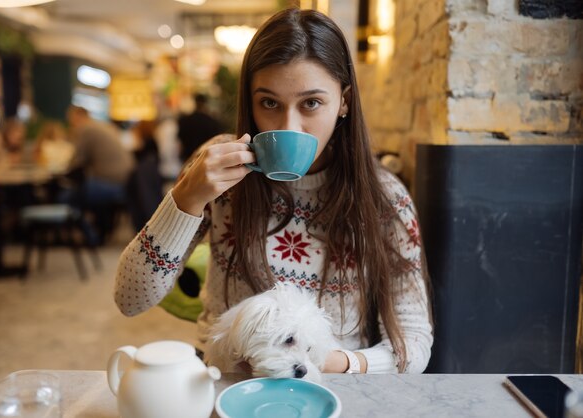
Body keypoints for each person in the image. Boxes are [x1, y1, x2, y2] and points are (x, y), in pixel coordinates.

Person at [115, 8, 432, 374]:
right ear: (250, 102)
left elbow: (414, 342)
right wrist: (185, 199)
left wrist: (326, 363)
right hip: (228, 384)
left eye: (311, 103)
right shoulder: (219, 172)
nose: (289, 126)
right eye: (269, 103)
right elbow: (130, 299)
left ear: (343, 101)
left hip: (331, 391)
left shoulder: (384, 198)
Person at [64, 106, 135, 241]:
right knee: (81, 190)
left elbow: (76, 161)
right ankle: (97, 232)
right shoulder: (102, 126)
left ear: (78, 117)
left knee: (67, 197)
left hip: (113, 184)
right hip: (126, 181)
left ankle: (91, 237)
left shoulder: (87, 129)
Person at [127, 120, 165, 232]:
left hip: (145, 176)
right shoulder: (152, 144)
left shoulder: (146, 146)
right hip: (149, 177)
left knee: (138, 192)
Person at [177, 93, 224, 163]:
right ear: (205, 103)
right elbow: (217, 140)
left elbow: (180, 139)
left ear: (195, 102)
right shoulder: (211, 121)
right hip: (206, 158)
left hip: (188, 158)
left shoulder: (185, 120)